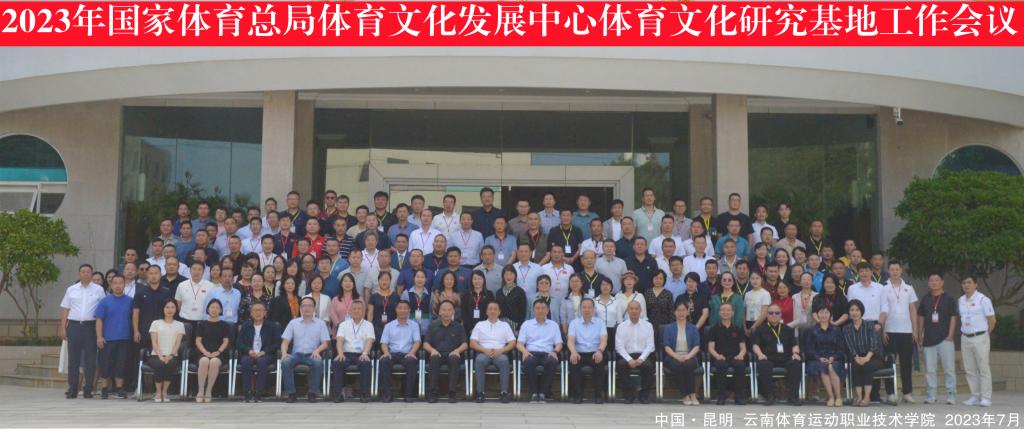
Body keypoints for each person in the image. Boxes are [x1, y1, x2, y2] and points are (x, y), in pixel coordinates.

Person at [59, 264, 105, 399]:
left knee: (90, 359)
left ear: (92, 274)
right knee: (73, 359)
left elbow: (102, 310)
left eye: (88, 272)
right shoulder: (71, 289)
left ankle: (88, 388)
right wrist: (63, 328)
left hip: (91, 327)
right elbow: (65, 309)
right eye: (83, 271)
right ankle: (73, 388)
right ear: (79, 274)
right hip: (74, 326)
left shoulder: (99, 290)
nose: (85, 274)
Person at [878, 260, 918, 404]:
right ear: (888, 271)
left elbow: (912, 309)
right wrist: (883, 330)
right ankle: (890, 393)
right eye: (892, 269)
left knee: (906, 363)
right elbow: (882, 309)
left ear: (901, 270)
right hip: (890, 330)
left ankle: (907, 392)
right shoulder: (883, 287)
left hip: (906, 331)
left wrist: (915, 330)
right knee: (889, 363)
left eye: (897, 269)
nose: (895, 272)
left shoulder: (908, 287)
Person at [916, 273, 958, 405]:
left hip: (945, 339)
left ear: (942, 282)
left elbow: (953, 317)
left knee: (949, 369)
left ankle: (951, 395)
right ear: (929, 283)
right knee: (930, 370)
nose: (934, 283)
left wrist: (950, 335)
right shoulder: (925, 299)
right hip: (928, 339)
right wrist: (919, 334)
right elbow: (921, 317)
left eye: (936, 280)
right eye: (931, 280)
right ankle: (931, 395)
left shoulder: (949, 299)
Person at [280, 297, 331, 403]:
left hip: (312, 354)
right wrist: (284, 353)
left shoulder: (320, 323)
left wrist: (317, 351)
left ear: (314, 308)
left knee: (318, 362)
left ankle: (312, 393)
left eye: (310, 306)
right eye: (304, 305)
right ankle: (291, 393)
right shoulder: (293, 323)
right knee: (285, 361)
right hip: (296, 354)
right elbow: (285, 342)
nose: (307, 308)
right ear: (300, 308)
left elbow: (325, 343)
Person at [752, 303, 803, 405]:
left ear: (780, 315)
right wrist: (760, 354)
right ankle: (769, 396)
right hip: (768, 357)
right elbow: (755, 345)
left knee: (796, 363)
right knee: (763, 365)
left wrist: (795, 353)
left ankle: (793, 397)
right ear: (767, 315)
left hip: (786, 357)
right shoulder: (760, 329)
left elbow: (794, 345)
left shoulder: (788, 329)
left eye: (777, 313)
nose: (774, 315)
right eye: (771, 313)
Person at [958, 275, 996, 407]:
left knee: (983, 368)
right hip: (965, 337)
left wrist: (985, 334)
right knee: (970, 369)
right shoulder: (961, 300)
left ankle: (986, 398)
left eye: (969, 282)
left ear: (976, 284)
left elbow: (992, 320)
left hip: (980, 337)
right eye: (964, 283)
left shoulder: (983, 300)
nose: (966, 285)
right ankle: (975, 396)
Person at [94, 274, 132, 399]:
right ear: (111, 284)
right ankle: (105, 388)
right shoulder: (104, 301)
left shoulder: (130, 301)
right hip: (107, 338)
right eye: (115, 283)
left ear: (124, 285)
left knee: (121, 364)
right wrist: (99, 337)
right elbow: (99, 320)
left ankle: (119, 388)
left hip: (124, 338)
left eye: (120, 283)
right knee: (105, 364)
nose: (118, 285)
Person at [517, 300, 563, 403]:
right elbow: (519, 343)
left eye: (543, 308)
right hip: (531, 352)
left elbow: (559, 343)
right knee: (528, 362)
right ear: (533, 310)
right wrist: (524, 351)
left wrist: (555, 351)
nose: (540, 311)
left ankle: (543, 393)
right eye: (537, 308)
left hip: (548, 353)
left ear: (547, 310)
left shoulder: (553, 325)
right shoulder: (526, 324)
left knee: (552, 362)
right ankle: (534, 393)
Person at [470, 302, 516, 403]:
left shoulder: (505, 325)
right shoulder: (480, 325)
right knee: (479, 361)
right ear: (486, 312)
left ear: (499, 312)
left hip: (500, 353)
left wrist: (501, 350)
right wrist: (484, 350)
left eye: (495, 309)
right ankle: (480, 393)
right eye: (490, 309)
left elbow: (512, 342)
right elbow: (472, 343)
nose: (492, 311)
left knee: (504, 361)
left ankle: (504, 393)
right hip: (483, 352)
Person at [424, 300, 468, 403]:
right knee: (434, 359)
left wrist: (457, 351)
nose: (446, 312)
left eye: (449, 310)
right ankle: (433, 393)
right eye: (444, 310)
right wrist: (432, 350)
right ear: (439, 312)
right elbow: (425, 344)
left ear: (453, 312)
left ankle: (452, 393)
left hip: (452, 353)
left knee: (454, 359)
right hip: (437, 353)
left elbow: (465, 344)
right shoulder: (433, 325)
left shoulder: (458, 326)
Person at [236, 302, 281, 403]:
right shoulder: (246, 326)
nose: (258, 313)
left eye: (260, 310)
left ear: (265, 313)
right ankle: (247, 393)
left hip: (265, 355)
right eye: (255, 310)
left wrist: (264, 352)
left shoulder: (272, 326)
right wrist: (249, 351)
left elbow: (277, 343)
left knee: (262, 362)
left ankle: (259, 393)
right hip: (249, 354)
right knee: (245, 361)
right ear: (251, 313)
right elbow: (239, 343)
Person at [378, 300, 422, 402]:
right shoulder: (389, 326)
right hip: (392, 354)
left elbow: (417, 341)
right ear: (396, 310)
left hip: (407, 353)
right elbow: (384, 343)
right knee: (384, 361)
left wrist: (412, 353)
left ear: (409, 310)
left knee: (411, 362)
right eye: (400, 308)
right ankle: (387, 394)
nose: (402, 310)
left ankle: (408, 394)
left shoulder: (414, 325)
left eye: (405, 308)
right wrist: (386, 352)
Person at [332, 300, 374, 403]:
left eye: (359, 309)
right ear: (350, 311)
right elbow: (339, 340)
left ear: (363, 311)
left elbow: (370, 340)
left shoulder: (368, 325)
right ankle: (338, 395)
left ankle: (364, 394)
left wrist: (365, 353)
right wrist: (340, 353)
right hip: (346, 354)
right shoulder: (343, 324)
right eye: (354, 309)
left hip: (361, 354)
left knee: (365, 363)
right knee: (337, 363)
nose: (356, 311)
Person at [567, 298, 607, 404]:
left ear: (594, 309)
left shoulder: (600, 323)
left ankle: (598, 396)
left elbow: (604, 340)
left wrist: (600, 351)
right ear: (580, 309)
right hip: (578, 353)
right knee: (574, 363)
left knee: (599, 364)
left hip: (595, 352)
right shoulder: (574, 323)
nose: (587, 310)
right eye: (584, 307)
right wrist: (573, 352)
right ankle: (577, 396)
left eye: (589, 307)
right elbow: (570, 340)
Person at [805, 303, 846, 407]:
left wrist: (833, 357)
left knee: (831, 367)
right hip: (817, 359)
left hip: (835, 358)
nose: (824, 315)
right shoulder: (812, 330)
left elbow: (841, 348)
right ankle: (831, 397)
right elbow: (809, 349)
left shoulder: (836, 329)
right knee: (823, 367)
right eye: (821, 312)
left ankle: (838, 397)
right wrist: (819, 358)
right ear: (817, 315)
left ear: (830, 315)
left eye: (826, 312)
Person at [843, 299, 883, 407]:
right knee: (856, 365)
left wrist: (867, 357)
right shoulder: (846, 328)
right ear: (849, 312)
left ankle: (867, 397)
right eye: (852, 310)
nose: (854, 312)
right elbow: (850, 346)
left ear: (861, 312)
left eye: (857, 310)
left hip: (873, 357)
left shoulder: (869, 325)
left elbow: (874, 343)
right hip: (857, 356)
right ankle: (859, 397)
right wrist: (856, 357)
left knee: (867, 365)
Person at [615, 300, 655, 404]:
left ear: (640, 311)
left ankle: (644, 395)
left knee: (649, 366)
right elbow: (619, 347)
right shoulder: (621, 326)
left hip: (643, 355)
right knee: (621, 365)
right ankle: (629, 394)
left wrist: (641, 359)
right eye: (631, 309)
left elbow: (650, 345)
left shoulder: (648, 326)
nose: (634, 311)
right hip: (627, 355)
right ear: (628, 311)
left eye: (636, 309)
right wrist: (629, 359)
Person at [662, 302, 701, 406]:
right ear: (674, 312)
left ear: (687, 312)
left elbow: (696, 346)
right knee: (678, 365)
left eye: (683, 310)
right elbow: (666, 346)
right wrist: (677, 356)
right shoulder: (668, 328)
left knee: (688, 365)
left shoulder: (693, 328)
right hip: (673, 356)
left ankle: (692, 394)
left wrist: (688, 356)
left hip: (690, 355)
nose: (681, 313)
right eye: (678, 310)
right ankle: (685, 395)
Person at [708, 302, 748, 405]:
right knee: (721, 366)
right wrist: (717, 356)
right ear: (719, 313)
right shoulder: (713, 329)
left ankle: (738, 397)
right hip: (720, 357)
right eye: (723, 310)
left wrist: (741, 355)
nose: (725, 312)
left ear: (733, 313)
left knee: (740, 366)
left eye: (728, 310)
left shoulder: (738, 329)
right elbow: (711, 348)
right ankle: (721, 396)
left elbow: (743, 347)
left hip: (735, 357)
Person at [147, 299, 185, 402]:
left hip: (172, 356)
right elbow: (154, 342)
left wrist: (171, 355)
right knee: (160, 364)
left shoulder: (180, 325)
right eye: (167, 307)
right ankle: (158, 392)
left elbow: (177, 343)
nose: (170, 310)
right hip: (156, 355)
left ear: (176, 309)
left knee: (170, 364)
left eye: (172, 307)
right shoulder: (155, 323)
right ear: (163, 309)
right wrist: (160, 356)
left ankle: (165, 392)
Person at [193, 299, 231, 402]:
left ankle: (209, 391)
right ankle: (201, 390)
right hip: (203, 352)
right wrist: (204, 352)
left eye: (217, 308)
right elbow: (198, 340)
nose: (214, 310)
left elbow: (226, 341)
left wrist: (218, 351)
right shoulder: (201, 324)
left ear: (221, 310)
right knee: (204, 360)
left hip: (219, 353)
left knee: (214, 361)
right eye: (212, 307)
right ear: (208, 309)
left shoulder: (225, 325)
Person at [176, 261, 213, 331]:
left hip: (203, 322)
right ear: (190, 270)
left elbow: (212, 304)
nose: (196, 272)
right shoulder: (182, 285)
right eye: (194, 269)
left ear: (203, 271)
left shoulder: (210, 286)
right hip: (184, 321)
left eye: (199, 269)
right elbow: (179, 303)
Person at [462, 271, 494, 337]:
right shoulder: (466, 295)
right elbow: (464, 312)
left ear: (483, 280)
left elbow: (492, 311)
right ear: (471, 281)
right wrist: (470, 327)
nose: (477, 281)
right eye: (475, 279)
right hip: (469, 328)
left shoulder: (489, 294)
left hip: (486, 327)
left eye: (479, 279)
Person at [401, 269, 432, 336]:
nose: (420, 279)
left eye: (422, 277)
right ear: (413, 278)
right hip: (410, 328)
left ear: (426, 279)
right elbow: (402, 311)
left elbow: (431, 311)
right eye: (417, 277)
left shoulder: (430, 294)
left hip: (426, 329)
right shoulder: (406, 293)